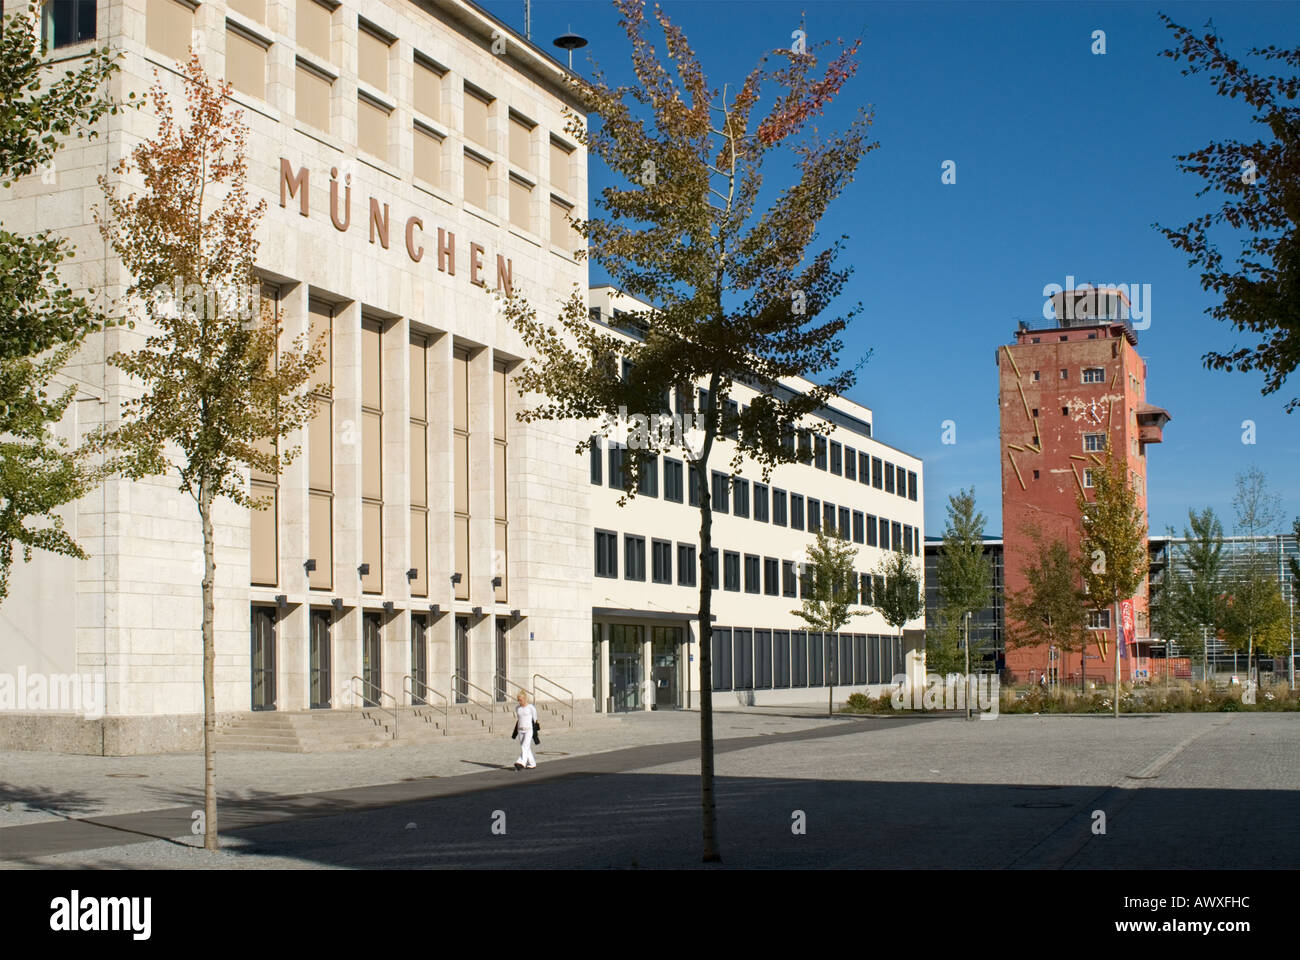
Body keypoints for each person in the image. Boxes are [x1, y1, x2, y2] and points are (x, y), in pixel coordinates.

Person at [513, 690, 538, 771]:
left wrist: (535, 730)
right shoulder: (517, 708)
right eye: (518, 700)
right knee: (526, 747)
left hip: (528, 730)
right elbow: (518, 719)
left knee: (525, 746)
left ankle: (521, 763)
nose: (519, 701)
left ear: (525, 699)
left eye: (520, 700)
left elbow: (535, 719)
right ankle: (532, 763)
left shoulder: (531, 707)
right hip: (520, 729)